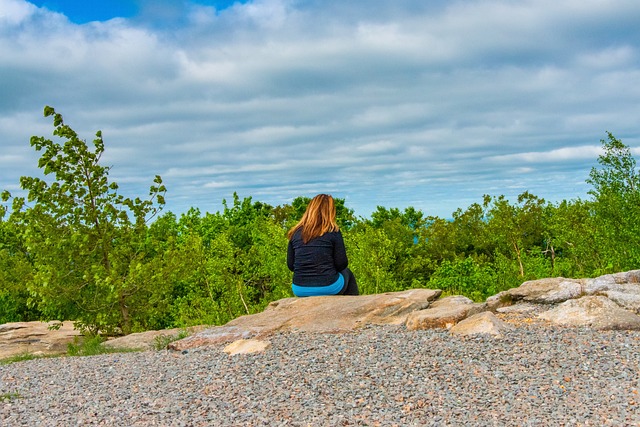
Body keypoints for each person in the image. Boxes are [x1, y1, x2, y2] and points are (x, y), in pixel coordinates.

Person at [287, 194, 359, 297]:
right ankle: (353, 307)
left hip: (299, 288)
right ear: (330, 211)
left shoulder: (295, 233)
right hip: (329, 286)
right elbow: (342, 264)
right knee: (347, 273)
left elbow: (291, 265)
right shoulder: (333, 231)